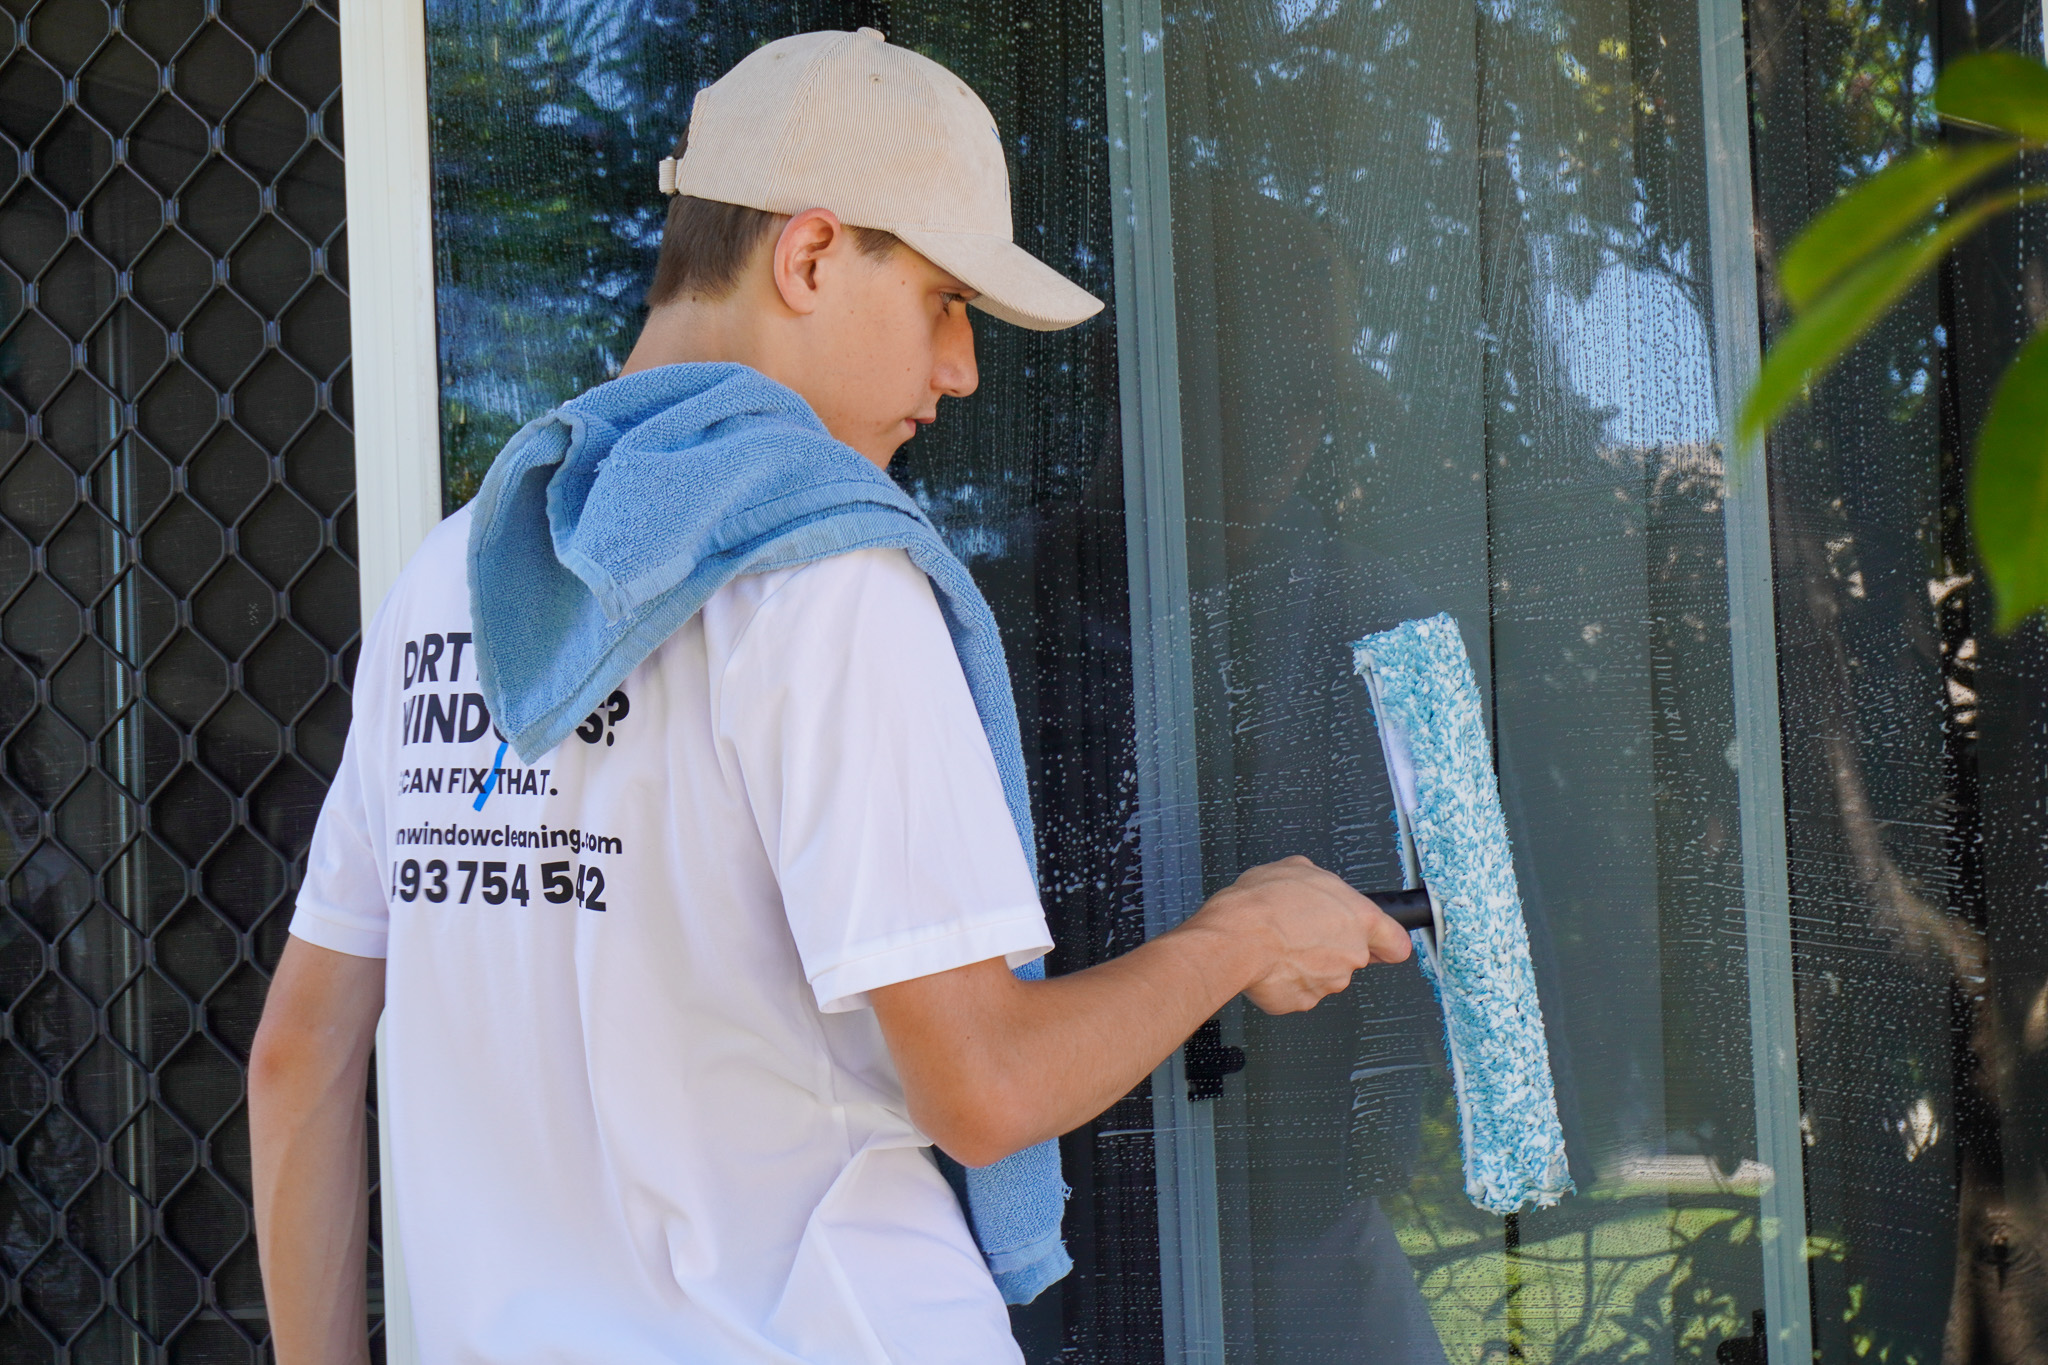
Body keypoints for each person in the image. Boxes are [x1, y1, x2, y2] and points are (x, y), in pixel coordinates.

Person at [249, 28, 1410, 1364]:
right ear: (808, 256)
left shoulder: (454, 582)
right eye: (940, 302)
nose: (963, 370)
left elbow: (299, 1055)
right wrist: (1236, 939)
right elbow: (986, 1087)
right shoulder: (831, 583)